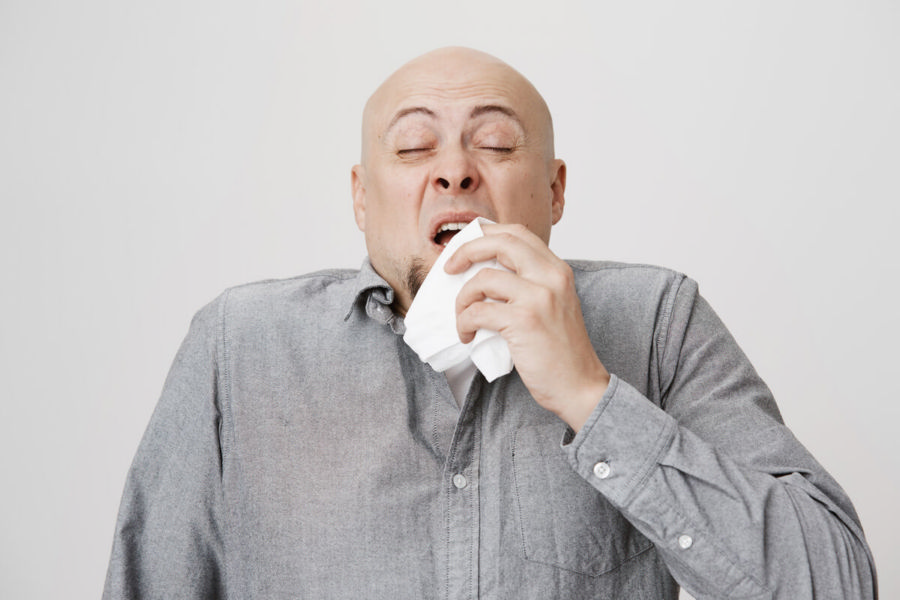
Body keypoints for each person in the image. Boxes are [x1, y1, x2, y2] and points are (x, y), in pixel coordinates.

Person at [103, 47, 877, 599]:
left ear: (555, 190)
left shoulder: (658, 321)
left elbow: (838, 583)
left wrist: (592, 398)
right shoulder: (238, 346)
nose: (455, 170)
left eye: (497, 143)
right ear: (361, 198)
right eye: (414, 146)